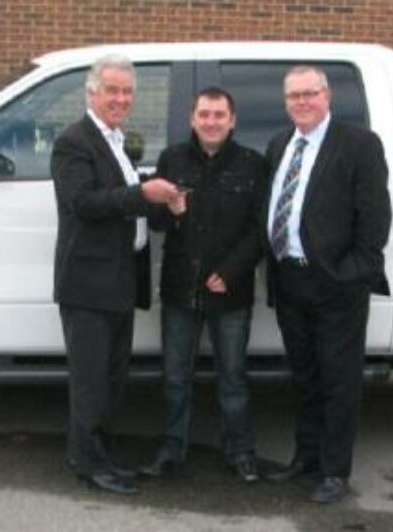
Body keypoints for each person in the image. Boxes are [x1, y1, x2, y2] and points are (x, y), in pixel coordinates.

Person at [51, 54, 180, 495]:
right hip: (88, 284)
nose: (121, 99)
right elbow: (83, 203)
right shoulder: (74, 141)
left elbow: (126, 204)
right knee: (91, 381)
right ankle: (88, 465)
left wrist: (161, 203)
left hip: (119, 281)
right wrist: (142, 192)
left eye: (127, 92)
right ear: (92, 92)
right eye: (112, 90)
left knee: (110, 379)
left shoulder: (116, 141)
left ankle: (100, 455)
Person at [263, 65, 391, 503]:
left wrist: (354, 271)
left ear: (327, 96)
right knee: (304, 376)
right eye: (293, 96)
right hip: (289, 280)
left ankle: (335, 471)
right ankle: (307, 457)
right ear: (285, 102)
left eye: (310, 93)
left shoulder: (359, 144)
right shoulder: (280, 143)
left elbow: (375, 218)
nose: (302, 102)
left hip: (337, 284)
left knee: (339, 380)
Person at [140, 87, 268, 482]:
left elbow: (261, 230)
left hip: (231, 290)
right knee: (175, 377)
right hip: (180, 287)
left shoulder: (252, 164)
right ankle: (171, 450)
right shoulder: (172, 159)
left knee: (233, 377)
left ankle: (240, 451)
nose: (211, 122)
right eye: (204, 115)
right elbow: (156, 223)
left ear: (232, 120)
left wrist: (231, 271)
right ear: (192, 119)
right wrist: (173, 211)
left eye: (219, 115)